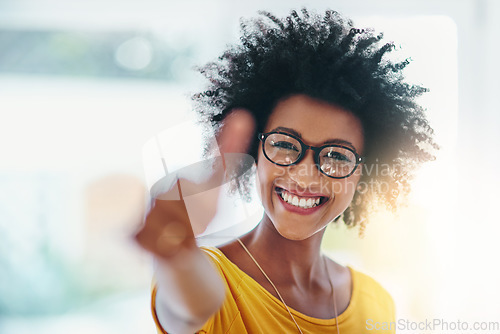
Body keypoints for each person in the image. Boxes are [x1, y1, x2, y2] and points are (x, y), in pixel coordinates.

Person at [135, 8, 437, 334]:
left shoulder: (376, 303)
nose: (306, 175)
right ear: (254, 152)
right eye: (286, 144)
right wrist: (176, 255)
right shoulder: (212, 277)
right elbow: (188, 307)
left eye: (336, 154)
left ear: (362, 176)